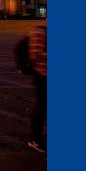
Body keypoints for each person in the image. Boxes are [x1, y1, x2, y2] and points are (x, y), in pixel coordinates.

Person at [26, 23, 47, 153]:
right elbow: (35, 55)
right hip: (43, 75)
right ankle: (36, 138)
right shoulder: (39, 32)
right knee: (42, 107)